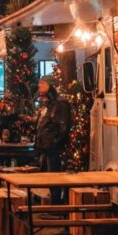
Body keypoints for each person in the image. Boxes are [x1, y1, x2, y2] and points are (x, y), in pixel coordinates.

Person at [33, 75, 73, 206]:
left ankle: (56, 204)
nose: (40, 88)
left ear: (50, 86)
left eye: (42, 85)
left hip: (53, 148)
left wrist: (55, 142)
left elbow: (63, 126)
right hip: (46, 147)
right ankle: (53, 202)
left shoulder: (60, 104)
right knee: (49, 175)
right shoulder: (49, 104)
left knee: (54, 174)